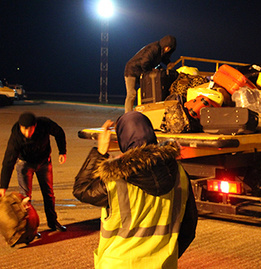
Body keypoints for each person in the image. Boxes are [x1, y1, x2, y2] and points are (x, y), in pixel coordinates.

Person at [73, 111, 197, 268]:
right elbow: (189, 227)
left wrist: (100, 153)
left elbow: (81, 189)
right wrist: (167, 255)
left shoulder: (114, 178)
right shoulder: (179, 174)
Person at [0, 112, 67, 232]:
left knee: (49, 194)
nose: (26, 133)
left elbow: (59, 132)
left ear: (35, 126)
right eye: (23, 129)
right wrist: (3, 186)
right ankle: (29, 229)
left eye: (29, 130)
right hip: (25, 165)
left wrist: (62, 151)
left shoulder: (44, 124)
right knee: (25, 198)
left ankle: (52, 222)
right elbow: (8, 161)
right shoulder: (16, 137)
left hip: (44, 162)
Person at [124, 35, 177, 112]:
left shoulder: (160, 52)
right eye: (167, 47)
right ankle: (127, 114)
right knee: (131, 94)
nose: (168, 49)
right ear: (164, 45)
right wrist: (152, 69)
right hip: (132, 70)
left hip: (141, 71)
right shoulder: (154, 48)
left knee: (146, 92)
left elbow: (163, 59)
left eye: (170, 49)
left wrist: (169, 64)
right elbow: (144, 62)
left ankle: (142, 111)